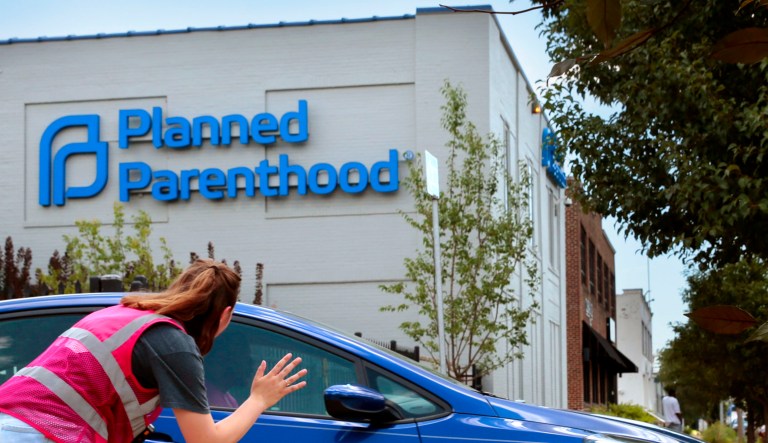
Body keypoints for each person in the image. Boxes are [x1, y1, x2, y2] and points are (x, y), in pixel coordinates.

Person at [0, 259, 307, 443]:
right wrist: (259, 399)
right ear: (225, 315)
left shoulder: (121, 313)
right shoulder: (174, 344)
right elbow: (206, 440)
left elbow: (92, 387)